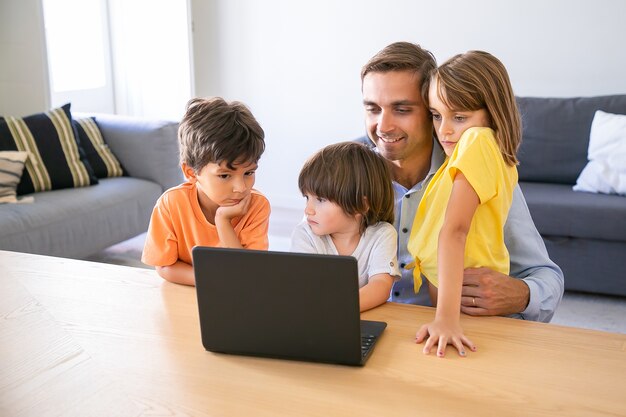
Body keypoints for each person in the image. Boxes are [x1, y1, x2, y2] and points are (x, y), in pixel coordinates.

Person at [360, 42, 564, 323]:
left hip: (448, 335)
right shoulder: (348, 175)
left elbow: (546, 276)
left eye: (402, 110)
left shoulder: (476, 173)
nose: (383, 126)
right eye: (373, 109)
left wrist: (521, 294)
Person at [408, 51, 521, 357]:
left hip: (461, 312)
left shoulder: (478, 142)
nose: (444, 129)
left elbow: (455, 231)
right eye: (436, 114)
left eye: (459, 117)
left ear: (492, 112)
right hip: (455, 308)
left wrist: (445, 319)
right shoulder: (463, 154)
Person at [142, 97, 270, 285]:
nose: (241, 188)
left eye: (249, 172)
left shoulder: (257, 206)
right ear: (191, 172)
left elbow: (247, 273)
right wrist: (212, 279)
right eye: (225, 175)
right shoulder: (171, 204)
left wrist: (223, 220)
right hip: (188, 292)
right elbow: (164, 266)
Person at [290, 142, 401, 312]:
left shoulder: (382, 234)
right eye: (307, 197)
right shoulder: (305, 235)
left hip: (352, 318)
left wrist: (338, 310)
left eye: (320, 200)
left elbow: (381, 286)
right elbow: (304, 290)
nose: (308, 210)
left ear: (361, 205)